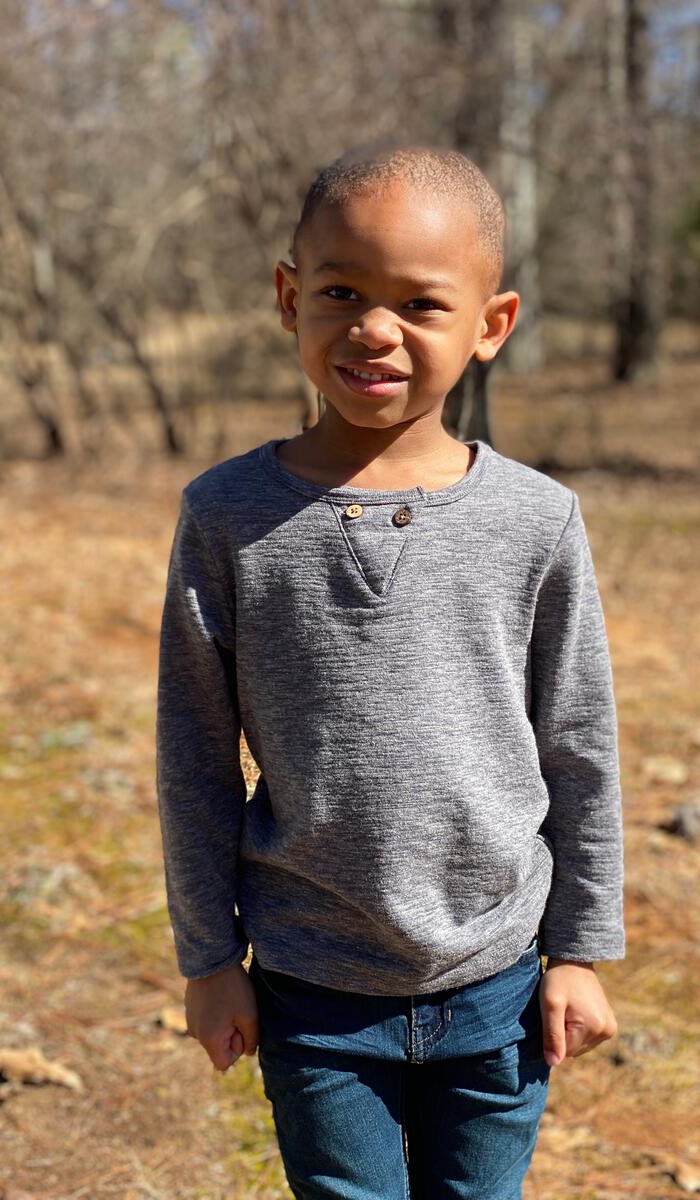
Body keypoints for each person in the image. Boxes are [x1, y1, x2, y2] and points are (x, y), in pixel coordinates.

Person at [154, 142, 624, 1200]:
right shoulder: (227, 516)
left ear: (491, 325)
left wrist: (579, 953)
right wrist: (209, 960)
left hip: (499, 983)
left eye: (420, 304)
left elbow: (579, 749)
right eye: (342, 293)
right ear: (289, 298)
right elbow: (193, 757)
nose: (375, 328)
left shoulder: (537, 521)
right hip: (311, 988)